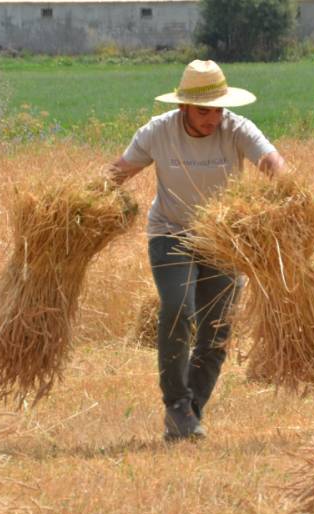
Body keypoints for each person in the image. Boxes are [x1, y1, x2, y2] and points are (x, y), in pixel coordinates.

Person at [108, 60, 287, 442]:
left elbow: (270, 160)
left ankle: (189, 413)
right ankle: (175, 403)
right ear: (184, 106)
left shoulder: (235, 128)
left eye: (219, 108)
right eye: (205, 110)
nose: (214, 118)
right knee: (179, 308)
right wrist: (84, 202)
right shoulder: (159, 132)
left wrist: (289, 189)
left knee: (217, 329)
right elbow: (119, 172)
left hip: (223, 238)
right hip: (171, 233)